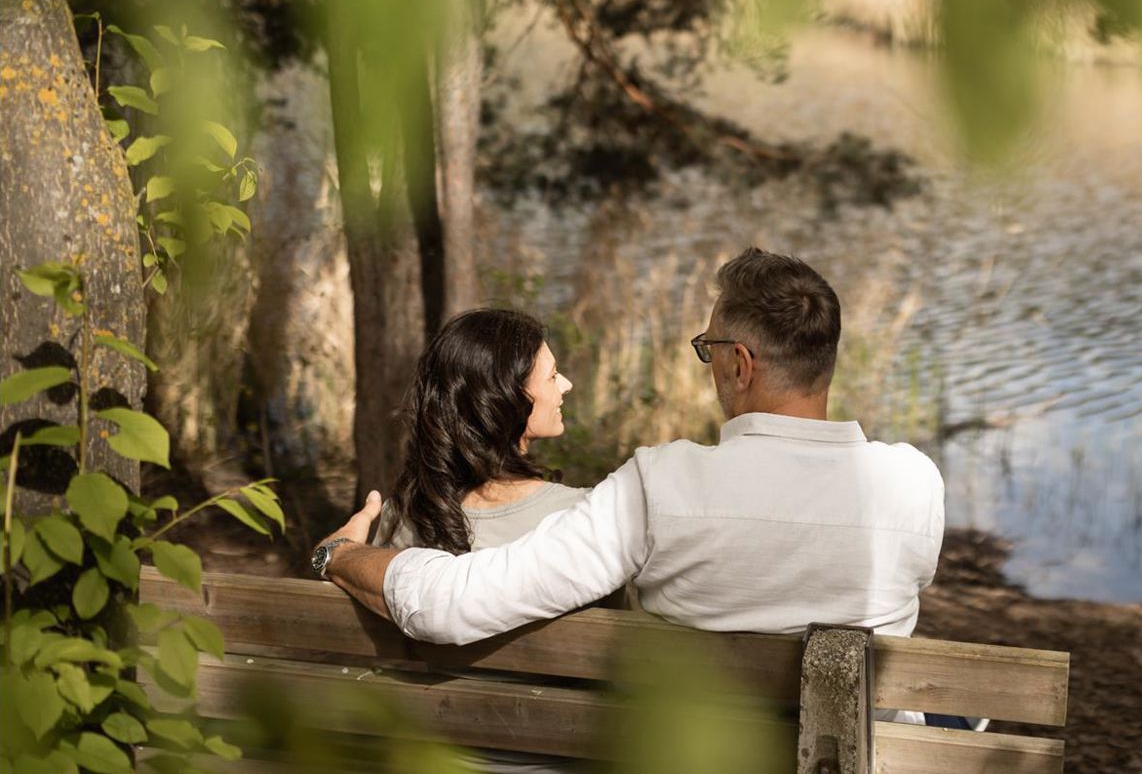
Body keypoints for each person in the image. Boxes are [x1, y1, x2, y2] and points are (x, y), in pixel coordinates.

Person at [311, 248, 947, 726]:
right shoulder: (914, 484)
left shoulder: (662, 484)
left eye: (709, 349)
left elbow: (451, 604)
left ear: (738, 363)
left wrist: (338, 555)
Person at [372, 307, 591, 774]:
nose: (567, 385)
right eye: (553, 376)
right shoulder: (587, 518)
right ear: (508, 398)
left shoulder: (402, 515)